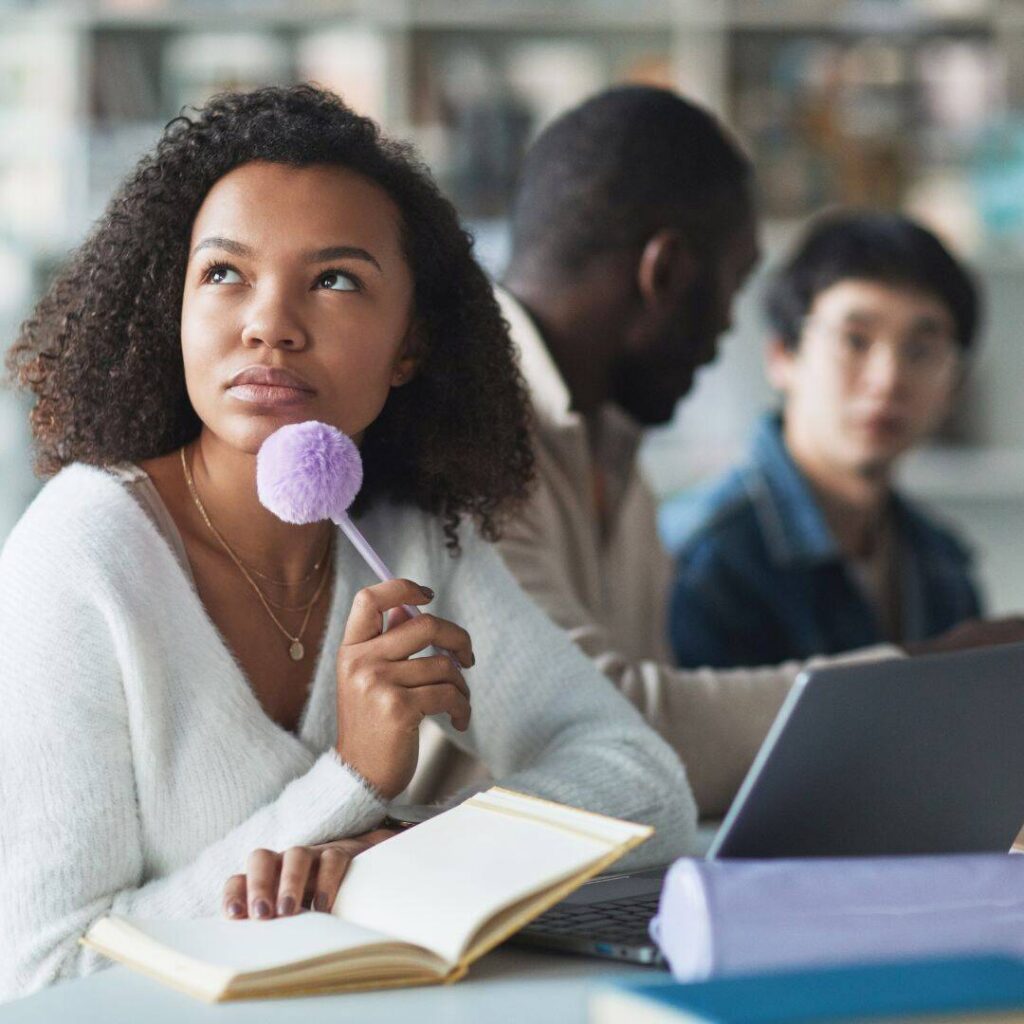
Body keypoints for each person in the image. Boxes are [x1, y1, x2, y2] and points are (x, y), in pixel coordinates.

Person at [0, 85, 695, 1003]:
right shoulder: (80, 555)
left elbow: (650, 791)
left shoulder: (407, 536)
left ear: (410, 346)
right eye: (223, 274)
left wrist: (418, 853)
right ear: (171, 312)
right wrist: (350, 782)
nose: (270, 325)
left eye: (334, 280)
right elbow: (43, 972)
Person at [406, 85, 1023, 823]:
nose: (729, 326)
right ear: (665, 273)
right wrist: (933, 671)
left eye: (924, 349)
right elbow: (597, 732)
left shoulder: (614, 450)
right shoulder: (459, 429)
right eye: (734, 284)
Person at [668, 212, 983, 668]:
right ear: (783, 355)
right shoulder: (704, 560)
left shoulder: (942, 564)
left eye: (920, 350)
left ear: (953, 384)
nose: (887, 379)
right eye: (855, 341)